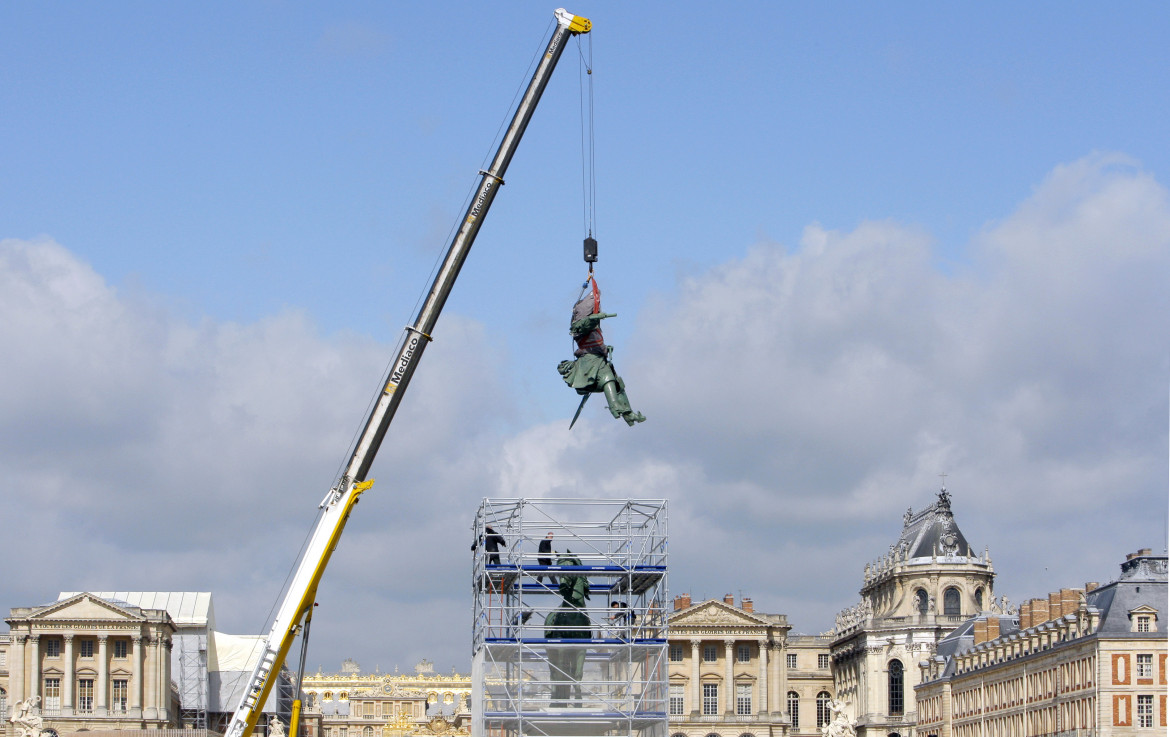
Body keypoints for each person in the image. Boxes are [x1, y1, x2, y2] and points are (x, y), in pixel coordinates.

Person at [557, 275, 644, 426]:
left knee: (617, 384)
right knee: (607, 379)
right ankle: (615, 407)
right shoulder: (580, 326)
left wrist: (605, 347)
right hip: (589, 361)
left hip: (599, 358)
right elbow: (581, 326)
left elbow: (594, 337)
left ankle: (628, 413)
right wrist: (592, 319)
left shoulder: (594, 325)